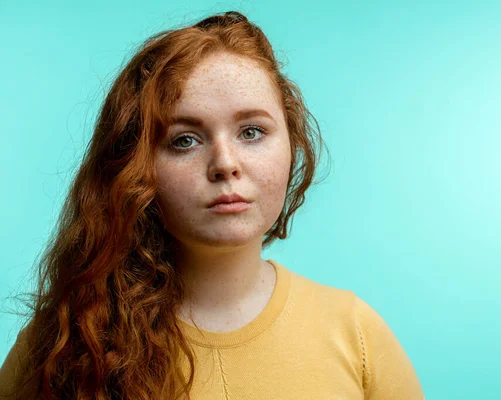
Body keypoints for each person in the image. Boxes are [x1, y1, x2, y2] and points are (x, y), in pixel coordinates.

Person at [0, 10, 425, 399]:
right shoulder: (63, 342)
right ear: (135, 167)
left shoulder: (357, 333)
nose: (225, 164)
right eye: (184, 140)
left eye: (252, 132)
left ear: (292, 145)